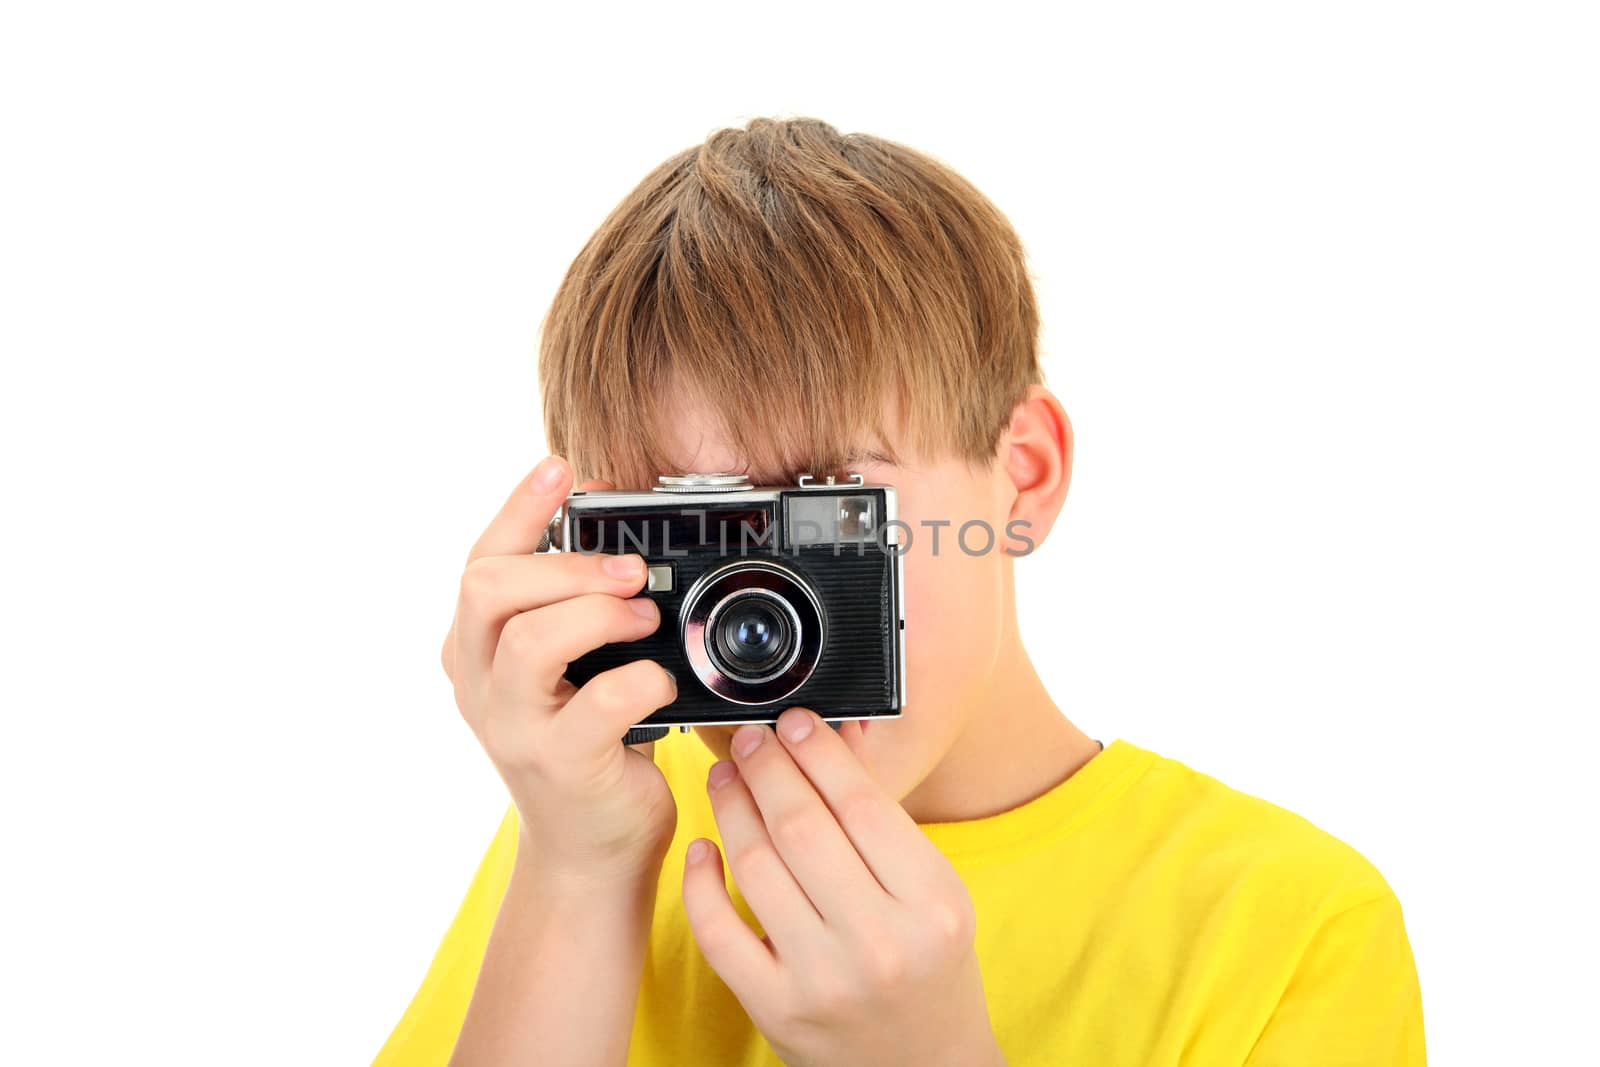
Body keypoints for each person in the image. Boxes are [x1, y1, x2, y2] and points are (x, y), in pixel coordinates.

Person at [373, 117, 1425, 1066]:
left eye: (821, 512)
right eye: (685, 530)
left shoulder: (1285, 922)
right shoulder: (595, 833)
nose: (752, 613)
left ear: (1023, 474)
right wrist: (577, 873)